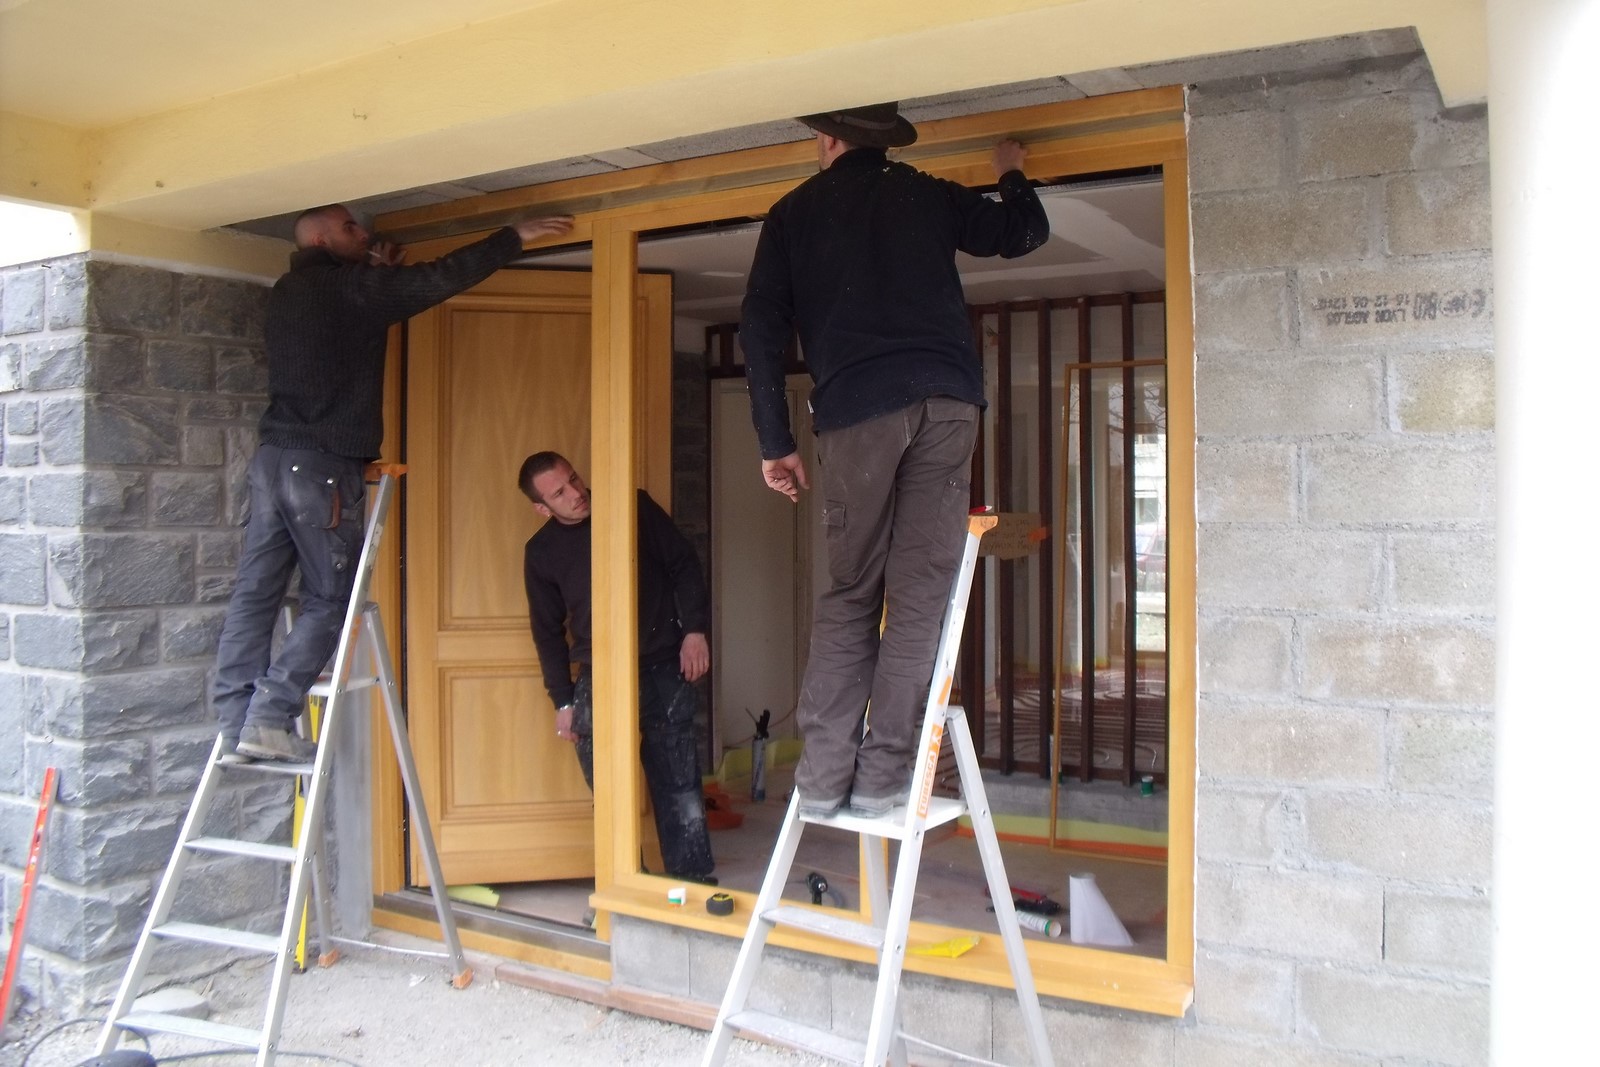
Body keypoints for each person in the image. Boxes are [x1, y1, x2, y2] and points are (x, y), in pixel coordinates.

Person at [739, 102, 1049, 817]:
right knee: (917, 600)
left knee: (852, 595)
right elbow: (1022, 232)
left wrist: (773, 441)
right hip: (948, 402)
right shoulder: (927, 194)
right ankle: (883, 779)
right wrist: (1012, 173)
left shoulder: (792, 215)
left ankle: (820, 781)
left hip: (858, 414)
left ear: (827, 139)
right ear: (884, 146)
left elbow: (760, 329)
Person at [214, 204, 575, 763]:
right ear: (319, 236)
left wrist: (375, 275)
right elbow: (435, 280)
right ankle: (267, 717)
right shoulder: (347, 289)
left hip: (273, 460)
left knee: (255, 592)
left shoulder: (292, 288)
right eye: (350, 228)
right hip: (321, 467)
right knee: (330, 599)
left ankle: (234, 719)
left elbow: (348, 324)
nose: (365, 233)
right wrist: (513, 237)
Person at [519, 451, 716, 884]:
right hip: (599, 675)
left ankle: (694, 887)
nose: (576, 493)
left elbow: (684, 564)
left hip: (665, 663)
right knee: (609, 791)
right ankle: (627, 885)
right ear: (541, 507)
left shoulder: (632, 506)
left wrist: (695, 631)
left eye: (574, 479)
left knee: (679, 782)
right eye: (559, 492)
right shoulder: (542, 553)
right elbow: (548, 633)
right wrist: (563, 699)